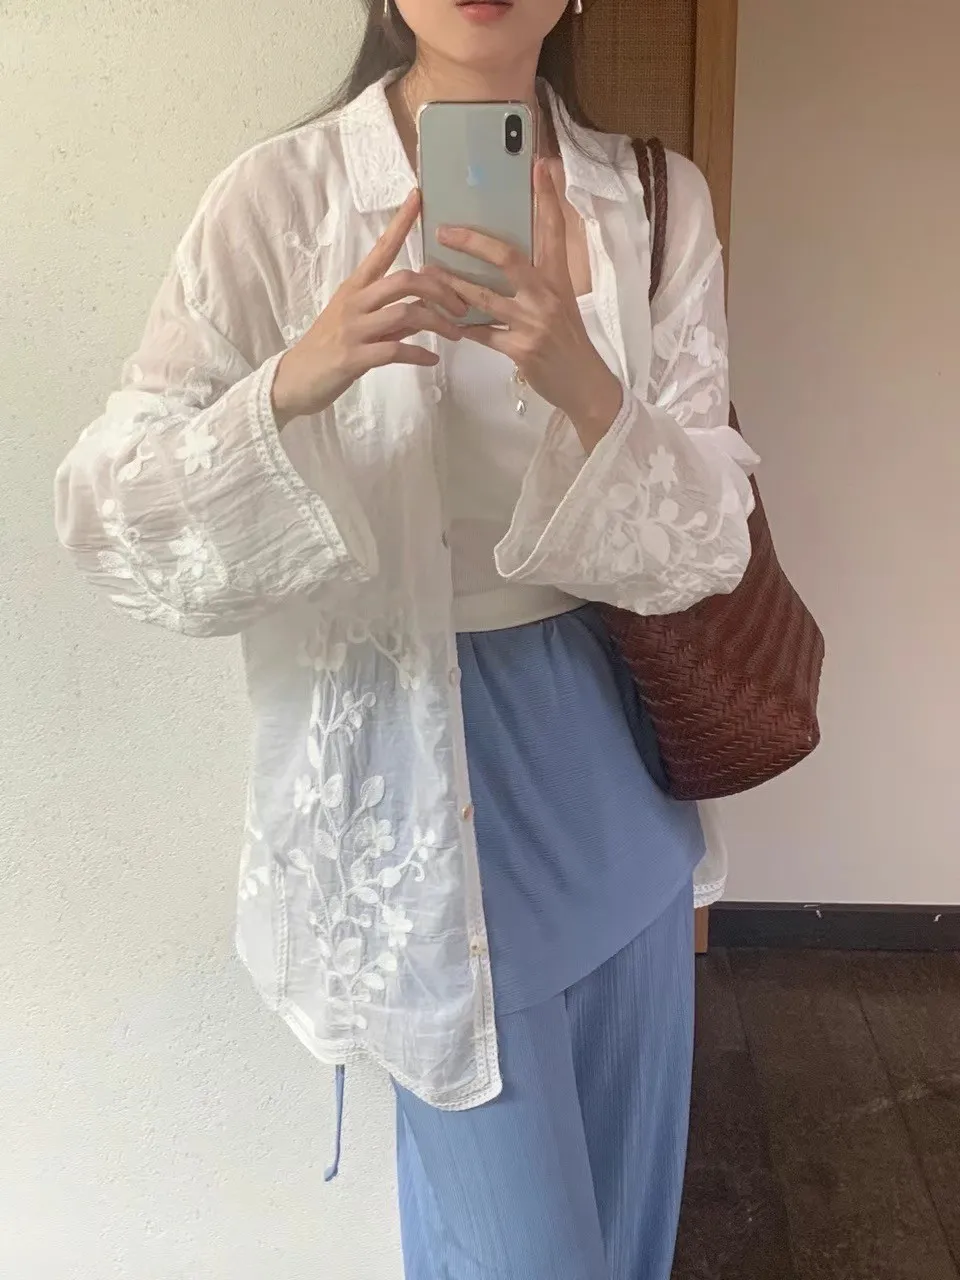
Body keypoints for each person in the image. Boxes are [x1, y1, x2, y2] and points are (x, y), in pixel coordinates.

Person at [55, 0, 759, 1275]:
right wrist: (293, 382)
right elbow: (107, 515)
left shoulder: (656, 202)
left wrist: (582, 379)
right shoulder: (278, 200)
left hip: (617, 780)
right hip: (412, 802)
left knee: (626, 1240)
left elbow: (710, 539)